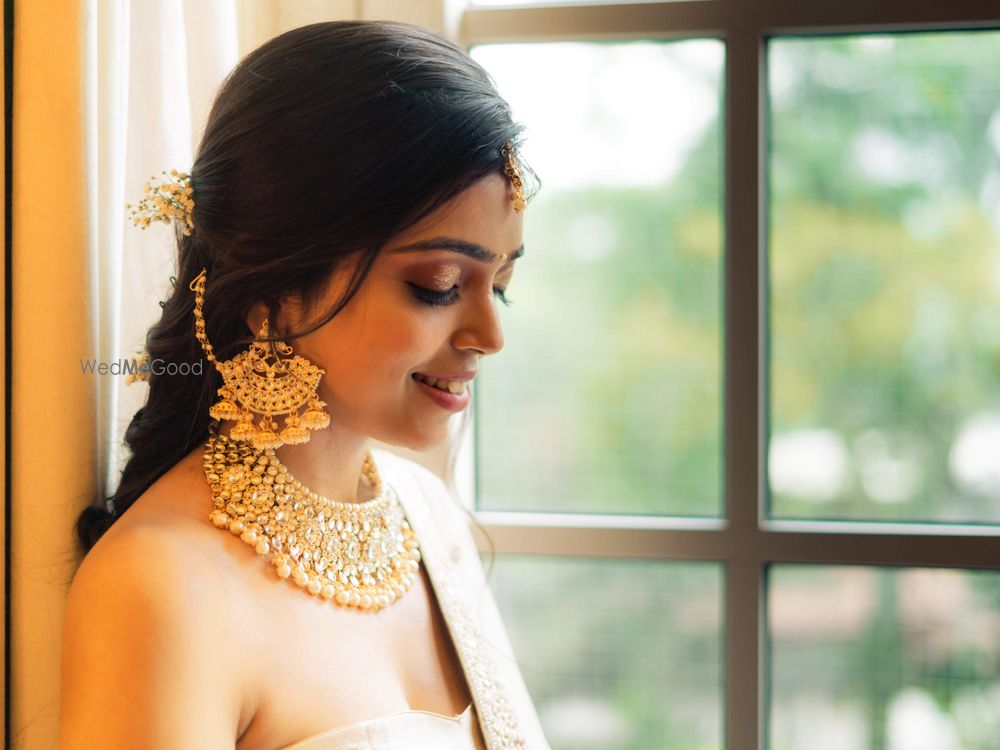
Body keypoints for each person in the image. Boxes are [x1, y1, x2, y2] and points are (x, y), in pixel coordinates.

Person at [58, 20, 548, 750]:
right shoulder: (160, 587)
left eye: (499, 287)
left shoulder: (428, 517)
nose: (489, 335)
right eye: (438, 286)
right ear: (274, 292)